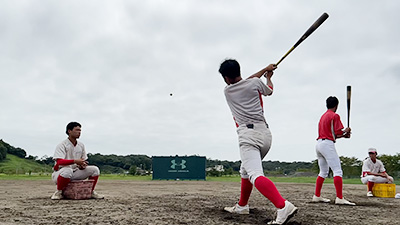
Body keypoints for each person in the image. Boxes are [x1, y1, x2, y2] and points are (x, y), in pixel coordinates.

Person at [219, 59, 297, 225]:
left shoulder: (228, 91)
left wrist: (264, 70)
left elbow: (246, 82)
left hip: (248, 136)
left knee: (255, 175)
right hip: (265, 135)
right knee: (245, 171)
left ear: (226, 78)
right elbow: (269, 90)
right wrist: (268, 76)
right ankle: (242, 206)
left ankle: (283, 206)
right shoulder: (255, 83)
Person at [312, 96, 355, 205]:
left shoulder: (323, 116)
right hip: (327, 144)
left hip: (319, 144)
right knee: (337, 171)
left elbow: (333, 134)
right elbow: (338, 132)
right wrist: (345, 131)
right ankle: (339, 198)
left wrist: (344, 135)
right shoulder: (334, 115)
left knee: (323, 172)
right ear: (336, 105)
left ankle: (317, 196)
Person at [51, 122, 104, 200]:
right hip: (60, 173)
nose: (79, 132)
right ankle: (59, 192)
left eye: (80, 130)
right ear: (69, 131)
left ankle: (91, 191)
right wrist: (75, 161)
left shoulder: (81, 145)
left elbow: (83, 160)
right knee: (68, 170)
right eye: (76, 130)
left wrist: (83, 165)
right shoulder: (62, 145)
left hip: (75, 172)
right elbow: (59, 162)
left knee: (95, 169)